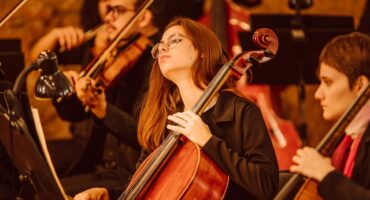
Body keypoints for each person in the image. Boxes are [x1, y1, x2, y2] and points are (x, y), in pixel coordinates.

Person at [74, 17, 278, 200]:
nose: (163, 48)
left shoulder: (240, 112)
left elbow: (266, 187)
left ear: (202, 52)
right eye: (160, 45)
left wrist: (208, 141)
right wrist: (108, 195)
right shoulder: (163, 121)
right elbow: (146, 191)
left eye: (174, 40)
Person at [30, 0, 205, 197]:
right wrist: (69, 90)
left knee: (43, 193)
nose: (108, 16)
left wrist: (104, 111)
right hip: (100, 164)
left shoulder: (159, 66)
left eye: (118, 10)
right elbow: (73, 113)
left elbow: (149, 138)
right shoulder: (113, 50)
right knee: (35, 183)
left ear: (144, 17)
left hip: (126, 174)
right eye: (109, 9)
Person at [289, 32, 370, 200]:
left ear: (360, 85)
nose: (318, 94)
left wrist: (326, 174)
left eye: (328, 82)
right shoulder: (343, 139)